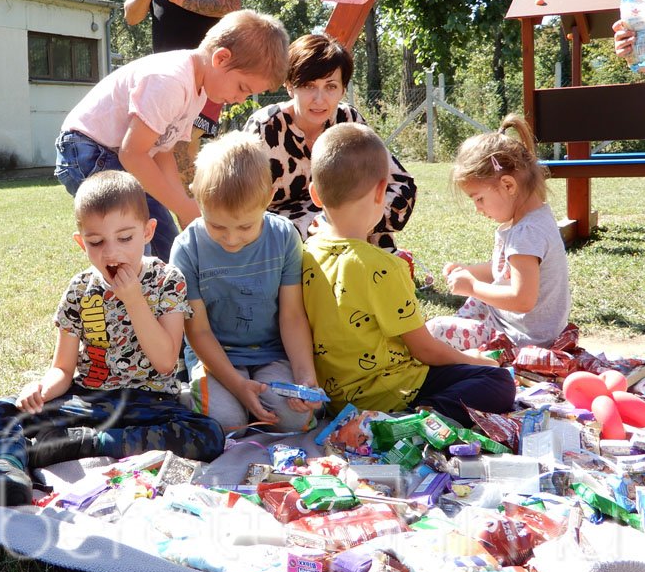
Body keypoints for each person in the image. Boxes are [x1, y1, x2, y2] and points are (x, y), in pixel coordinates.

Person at [0, 171, 225, 506]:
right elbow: (62, 369)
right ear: (81, 242)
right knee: (6, 409)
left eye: (125, 238)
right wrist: (40, 390)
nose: (111, 253)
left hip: (150, 404)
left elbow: (166, 362)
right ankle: (5, 470)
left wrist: (134, 300)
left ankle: (87, 444)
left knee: (209, 435)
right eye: (96, 242)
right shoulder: (80, 288)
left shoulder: (167, 280)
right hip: (90, 400)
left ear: (148, 232)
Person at [302, 123, 515, 427]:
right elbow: (425, 349)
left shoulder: (306, 252)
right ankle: (413, 422)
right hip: (396, 391)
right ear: (381, 192)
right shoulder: (383, 266)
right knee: (498, 382)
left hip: (336, 400)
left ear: (316, 195)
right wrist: (477, 360)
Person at [54, 10, 289, 262]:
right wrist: (183, 206)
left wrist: (184, 208)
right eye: (242, 88)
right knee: (130, 240)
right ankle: (126, 296)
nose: (240, 99)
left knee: (165, 240)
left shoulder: (199, 91)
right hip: (88, 149)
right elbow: (132, 154)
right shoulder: (171, 81)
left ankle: (160, 295)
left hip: (120, 155)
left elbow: (162, 151)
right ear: (221, 59)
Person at [171, 131, 322, 435]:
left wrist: (305, 376)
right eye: (217, 226)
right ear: (196, 197)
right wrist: (239, 387)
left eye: (245, 226)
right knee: (227, 424)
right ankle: (191, 396)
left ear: (268, 199)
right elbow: (197, 331)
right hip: (216, 357)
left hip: (271, 352)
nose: (231, 238)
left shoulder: (284, 237)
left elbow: (292, 316)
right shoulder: (187, 248)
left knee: (293, 420)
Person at [244, 33, 416, 250]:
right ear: (289, 86)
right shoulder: (264, 128)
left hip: (347, 221)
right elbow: (241, 204)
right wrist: (310, 225)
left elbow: (402, 186)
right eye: (308, 85)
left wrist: (346, 222)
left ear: (343, 89)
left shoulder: (349, 121)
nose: (319, 99)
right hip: (282, 235)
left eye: (331, 86)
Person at [426, 115, 571, 351]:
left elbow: (522, 299)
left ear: (508, 185)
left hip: (522, 338)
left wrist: (472, 286)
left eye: (479, 199)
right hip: (516, 326)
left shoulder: (527, 232)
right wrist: (468, 271)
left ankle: (468, 353)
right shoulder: (531, 219)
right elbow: (505, 272)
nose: (478, 209)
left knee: (435, 331)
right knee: (476, 302)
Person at [123, 0, 243, 179]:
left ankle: (193, 212)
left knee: (180, 149)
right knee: (168, 152)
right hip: (165, 79)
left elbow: (233, 2)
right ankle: (196, 211)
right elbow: (131, 16)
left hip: (207, 76)